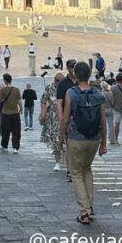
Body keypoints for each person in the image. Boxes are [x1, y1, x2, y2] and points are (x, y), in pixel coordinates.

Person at [59, 61, 107, 224]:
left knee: (76, 172)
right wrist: (104, 143)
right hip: (94, 138)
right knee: (87, 169)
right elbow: (103, 120)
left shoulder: (71, 93)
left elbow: (65, 119)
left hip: (76, 137)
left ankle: (84, 212)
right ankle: (90, 205)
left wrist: (60, 140)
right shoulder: (98, 93)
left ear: (75, 74)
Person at [57, 59, 77, 182]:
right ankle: (70, 170)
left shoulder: (82, 81)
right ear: (67, 68)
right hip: (68, 117)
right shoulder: (63, 83)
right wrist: (61, 118)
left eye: (75, 66)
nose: (73, 69)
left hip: (81, 117)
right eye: (71, 67)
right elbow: (59, 102)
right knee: (70, 144)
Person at [40, 72, 64, 170]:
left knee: (66, 140)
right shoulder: (49, 87)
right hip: (53, 117)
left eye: (60, 81)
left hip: (64, 117)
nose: (58, 82)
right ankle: (57, 161)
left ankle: (67, 161)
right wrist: (43, 115)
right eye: (57, 80)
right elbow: (43, 101)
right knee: (55, 140)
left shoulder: (66, 88)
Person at [0, 73, 23, 152]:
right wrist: (21, 109)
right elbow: (19, 101)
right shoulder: (16, 90)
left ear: (5, 81)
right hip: (15, 113)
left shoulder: (3, 90)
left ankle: (5, 146)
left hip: (6, 114)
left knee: (5, 131)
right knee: (16, 131)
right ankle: (15, 148)